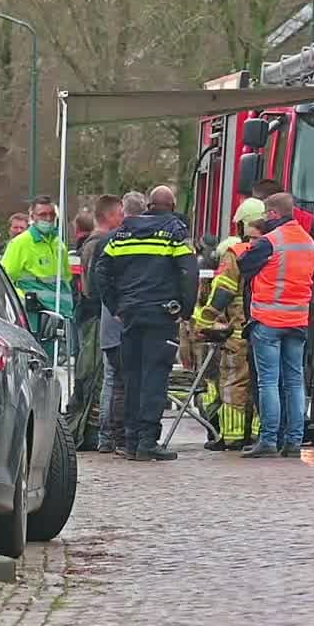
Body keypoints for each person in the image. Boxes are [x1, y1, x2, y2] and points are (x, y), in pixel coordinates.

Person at [95, 184, 197, 461]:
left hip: (130, 315)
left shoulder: (123, 234)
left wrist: (116, 306)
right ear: (172, 206)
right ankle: (147, 442)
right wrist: (185, 310)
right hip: (161, 315)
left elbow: (101, 271)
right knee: (155, 377)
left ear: (150, 205)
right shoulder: (175, 232)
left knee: (132, 377)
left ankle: (130, 440)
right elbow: (189, 271)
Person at [237, 192, 314, 458]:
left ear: (273, 214)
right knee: (295, 382)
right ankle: (294, 441)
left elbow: (244, 266)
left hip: (269, 321)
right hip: (299, 321)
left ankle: (269, 440)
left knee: (268, 382)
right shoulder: (309, 242)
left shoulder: (269, 242)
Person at [192, 218, 263, 450]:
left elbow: (223, 290)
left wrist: (204, 321)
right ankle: (259, 435)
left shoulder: (236, 254)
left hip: (240, 330)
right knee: (263, 382)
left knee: (234, 382)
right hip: (270, 327)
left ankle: (232, 437)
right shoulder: (278, 250)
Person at [67, 194, 122, 452]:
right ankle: (90, 430)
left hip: (89, 315)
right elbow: (96, 287)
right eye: (120, 214)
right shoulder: (100, 244)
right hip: (96, 317)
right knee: (96, 375)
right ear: (110, 216)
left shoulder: (90, 243)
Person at [97, 192, 145, 453]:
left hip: (111, 320)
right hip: (123, 323)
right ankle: (118, 436)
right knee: (122, 383)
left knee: (112, 380)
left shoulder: (110, 242)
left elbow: (99, 281)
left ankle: (106, 438)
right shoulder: (124, 242)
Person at [2, 196, 73, 360]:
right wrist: (24, 301)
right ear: (32, 217)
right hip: (34, 317)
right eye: (42, 215)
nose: (48, 219)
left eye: (51, 215)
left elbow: (65, 279)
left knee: (50, 365)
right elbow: (5, 278)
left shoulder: (58, 244)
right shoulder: (21, 244)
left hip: (57, 316)